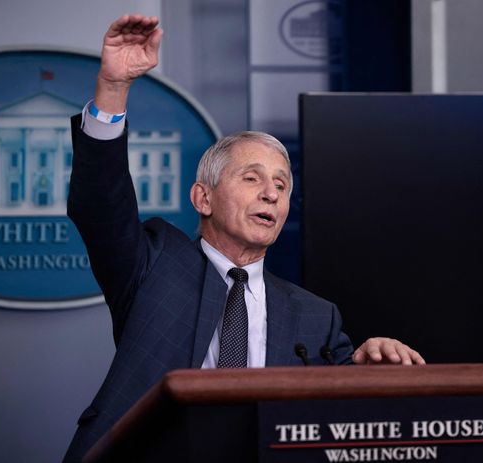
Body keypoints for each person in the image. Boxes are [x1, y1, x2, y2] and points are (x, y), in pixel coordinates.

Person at [63, 14, 424, 462]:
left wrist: (369, 369)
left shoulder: (316, 317)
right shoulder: (153, 266)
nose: (271, 192)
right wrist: (113, 87)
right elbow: (100, 205)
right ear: (203, 198)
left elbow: (337, 421)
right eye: (252, 178)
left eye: (282, 184)